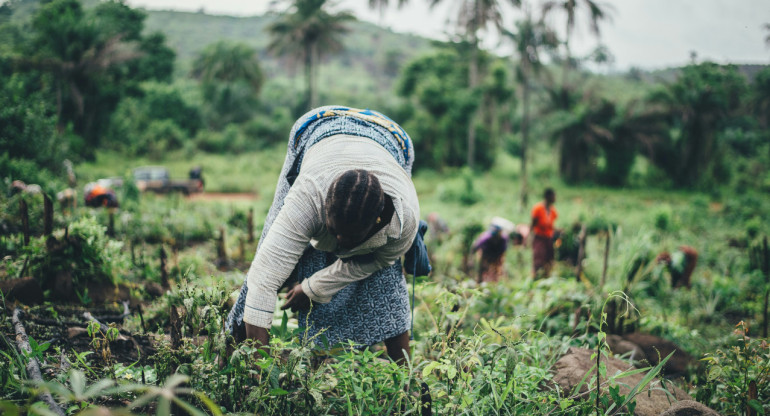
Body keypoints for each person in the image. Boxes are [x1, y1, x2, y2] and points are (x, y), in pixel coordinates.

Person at [226, 105, 420, 364]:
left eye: (349, 240)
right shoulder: (308, 196)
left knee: (386, 280)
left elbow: (375, 261)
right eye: (333, 233)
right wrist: (260, 370)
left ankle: (404, 380)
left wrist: (314, 288)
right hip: (317, 127)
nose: (339, 245)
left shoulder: (403, 221)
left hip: (392, 138)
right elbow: (264, 279)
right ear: (323, 209)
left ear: (377, 222)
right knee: (268, 254)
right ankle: (233, 350)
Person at [530, 188, 557, 278]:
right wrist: (529, 236)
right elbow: (533, 224)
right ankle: (535, 277)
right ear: (548, 197)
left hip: (548, 238)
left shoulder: (553, 211)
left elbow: (551, 226)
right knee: (538, 259)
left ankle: (546, 277)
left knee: (549, 259)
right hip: (539, 237)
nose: (555, 198)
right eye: (553, 196)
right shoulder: (538, 209)